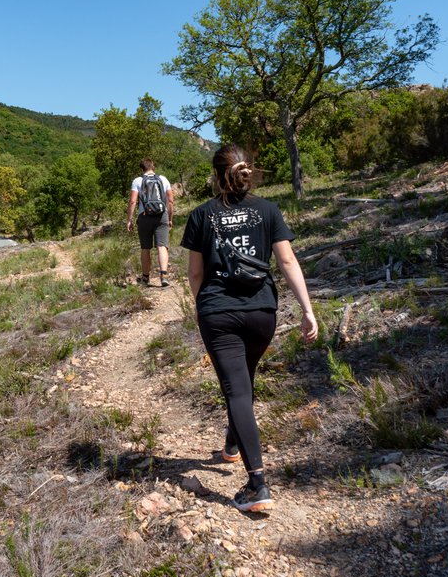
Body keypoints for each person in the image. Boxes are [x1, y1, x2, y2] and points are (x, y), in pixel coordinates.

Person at [180, 144, 319, 512]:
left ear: (215, 174)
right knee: (244, 380)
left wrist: (202, 308)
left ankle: (257, 484)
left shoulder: (200, 215)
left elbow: (195, 273)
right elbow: (287, 260)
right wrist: (307, 309)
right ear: (246, 171)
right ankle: (231, 442)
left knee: (237, 391)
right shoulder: (268, 210)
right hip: (262, 311)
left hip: (219, 313)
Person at [126, 158, 175, 287]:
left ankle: (145, 278)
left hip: (144, 216)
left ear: (141, 168)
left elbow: (132, 202)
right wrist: (170, 218)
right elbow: (170, 201)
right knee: (162, 246)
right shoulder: (163, 179)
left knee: (145, 248)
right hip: (161, 215)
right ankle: (163, 275)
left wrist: (129, 220)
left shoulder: (137, 181)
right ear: (153, 166)